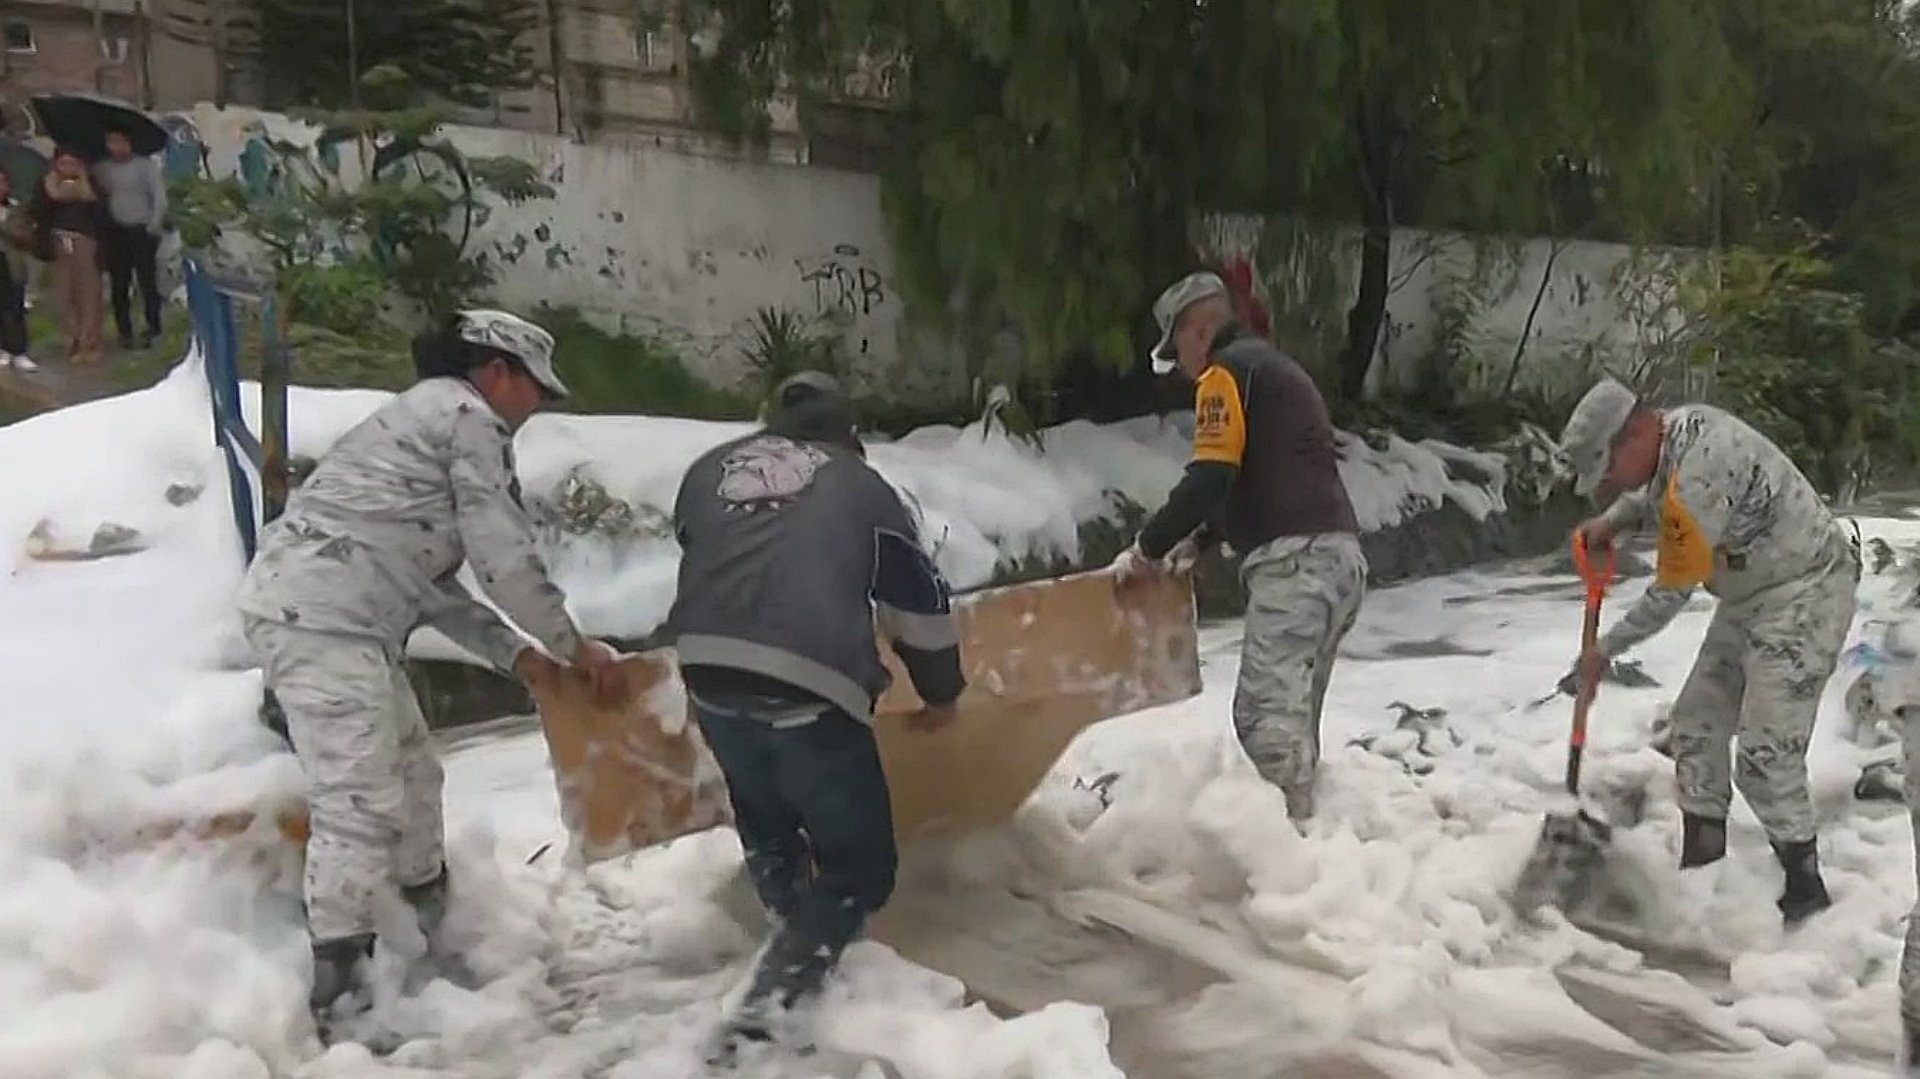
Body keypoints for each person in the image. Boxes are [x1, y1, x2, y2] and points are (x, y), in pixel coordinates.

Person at [232, 309, 620, 1037]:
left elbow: (425, 581)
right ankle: (341, 1001)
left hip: (337, 613)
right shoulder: (468, 418)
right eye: (536, 389)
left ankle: (428, 930)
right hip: (322, 618)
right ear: (498, 372)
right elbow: (504, 558)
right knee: (362, 798)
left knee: (415, 772)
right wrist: (573, 645)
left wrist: (520, 656)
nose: (537, 407)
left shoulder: (420, 421)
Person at [665, 371, 965, 1061]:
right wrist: (942, 690)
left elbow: (709, 550)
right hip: (810, 684)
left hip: (707, 671)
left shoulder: (705, 470)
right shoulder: (863, 486)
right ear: (848, 436)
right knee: (859, 870)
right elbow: (916, 603)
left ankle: (797, 938)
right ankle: (766, 1009)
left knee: (772, 832)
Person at [1557, 375, 1860, 924]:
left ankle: (1806, 897)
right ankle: (1703, 877)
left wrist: (1603, 651)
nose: (1605, 483)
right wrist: (1614, 520)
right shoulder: (1674, 431)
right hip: (1750, 594)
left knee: (1767, 759)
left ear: (1632, 436)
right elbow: (1651, 490)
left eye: (1605, 470)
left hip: (1807, 590)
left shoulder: (1699, 473)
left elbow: (1670, 593)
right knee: (1695, 724)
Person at [1114, 270, 1367, 825]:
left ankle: (1292, 861)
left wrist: (1146, 550)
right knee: (1294, 724)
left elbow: (1211, 475)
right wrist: (1204, 537)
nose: (1180, 363)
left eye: (1176, 344)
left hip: (1296, 564)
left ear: (1196, 329)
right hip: (1340, 560)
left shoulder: (1223, 375)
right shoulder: (1273, 368)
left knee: (1263, 723)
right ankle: (1323, 856)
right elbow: (1264, 471)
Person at [27, 145, 107, 367]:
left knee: (89, 293)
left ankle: (89, 341)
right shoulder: (47, 184)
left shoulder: (91, 184)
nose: (68, 168)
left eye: (73, 163)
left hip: (85, 242)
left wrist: (82, 185)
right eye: (63, 163)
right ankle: (71, 340)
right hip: (58, 243)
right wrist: (53, 194)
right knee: (64, 294)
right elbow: (37, 211)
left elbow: (101, 210)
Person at [91, 125, 167, 350]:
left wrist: (154, 224)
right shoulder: (102, 168)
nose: (116, 147)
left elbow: (159, 196)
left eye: (119, 142)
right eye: (111, 142)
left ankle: (153, 326)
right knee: (119, 283)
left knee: (147, 281)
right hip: (115, 231)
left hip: (141, 228)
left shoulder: (144, 166)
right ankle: (124, 331)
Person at [0, 169, 35, 372]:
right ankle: (3, 349)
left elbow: (25, 236)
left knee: (15, 309)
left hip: (12, 263)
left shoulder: (16, 208)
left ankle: (20, 352)